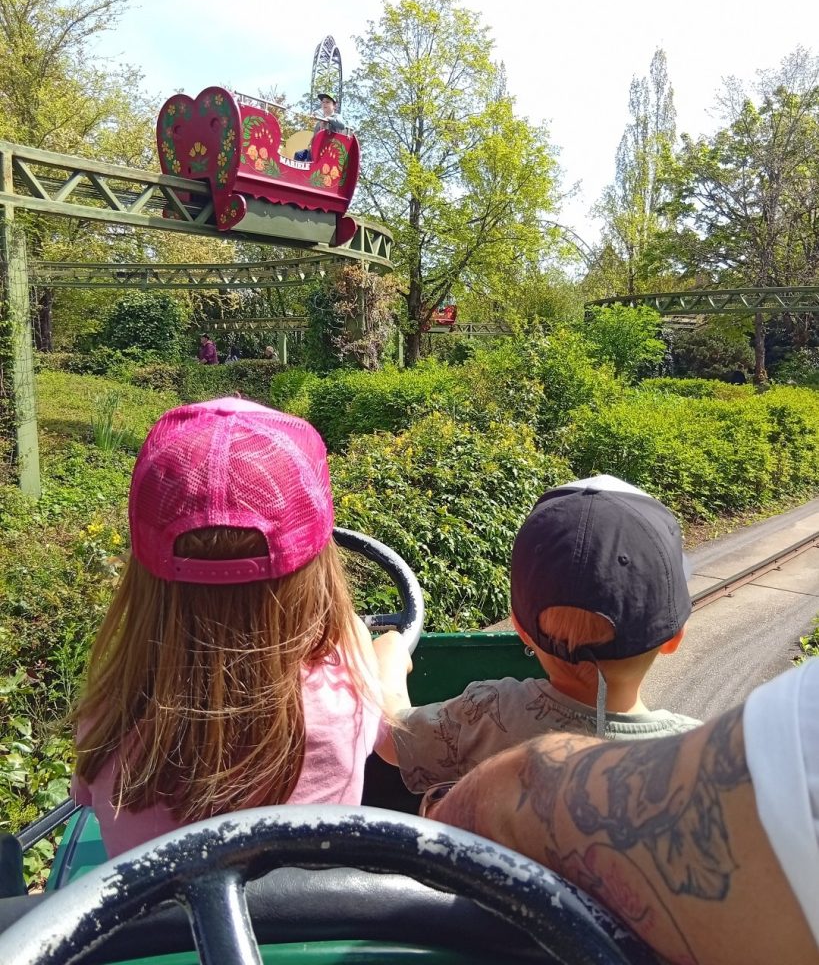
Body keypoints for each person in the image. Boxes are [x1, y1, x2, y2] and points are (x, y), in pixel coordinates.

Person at [70, 397, 411, 857]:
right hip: (311, 925)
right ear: (318, 565)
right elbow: (398, 738)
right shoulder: (346, 691)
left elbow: (85, 798)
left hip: (162, 930)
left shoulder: (111, 714)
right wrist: (385, 660)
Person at [428, 657, 819, 964]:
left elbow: (519, 787)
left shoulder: (489, 704)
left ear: (522, 628)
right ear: (672, 639)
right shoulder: (689, 734)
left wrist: (432, 812)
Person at [392, 476, 700, 795]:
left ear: (521, 628)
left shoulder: (488, 713)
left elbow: (391, 740)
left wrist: (389, 664)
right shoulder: (697, 755)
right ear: (674, 638)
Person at [294, 92, 346, 162]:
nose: (324, 104)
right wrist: (311, 145)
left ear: (334, 106)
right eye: (323, 102)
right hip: (317, 147)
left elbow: (342, 125)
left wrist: (328, 119)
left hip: (328, 148)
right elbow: (315, 137)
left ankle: (310, 169)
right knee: (299, 155)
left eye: (327, 102)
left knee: (311, 155)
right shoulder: (319, 122)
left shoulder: (336, 117)